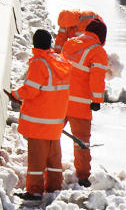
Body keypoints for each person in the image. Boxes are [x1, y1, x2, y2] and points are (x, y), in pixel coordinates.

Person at [10, 29, 70, 201]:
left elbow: (31, 89)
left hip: (39, 122)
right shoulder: (60, 61)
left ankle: (35, 192)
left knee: (36, 160)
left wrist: (15, 95)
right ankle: (54, 188)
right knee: (53, 159)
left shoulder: (39, 63)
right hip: (56, 121)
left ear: (34, 44)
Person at [61, 19, 108, 187]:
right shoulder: (98, 52)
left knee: (51, 136)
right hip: (80, 104)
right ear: (101, 36)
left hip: (60, 99)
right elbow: (96, 79)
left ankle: (47, 168)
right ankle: (82, 176)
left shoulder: (70, 44)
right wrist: (96, 100)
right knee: (82, 142)